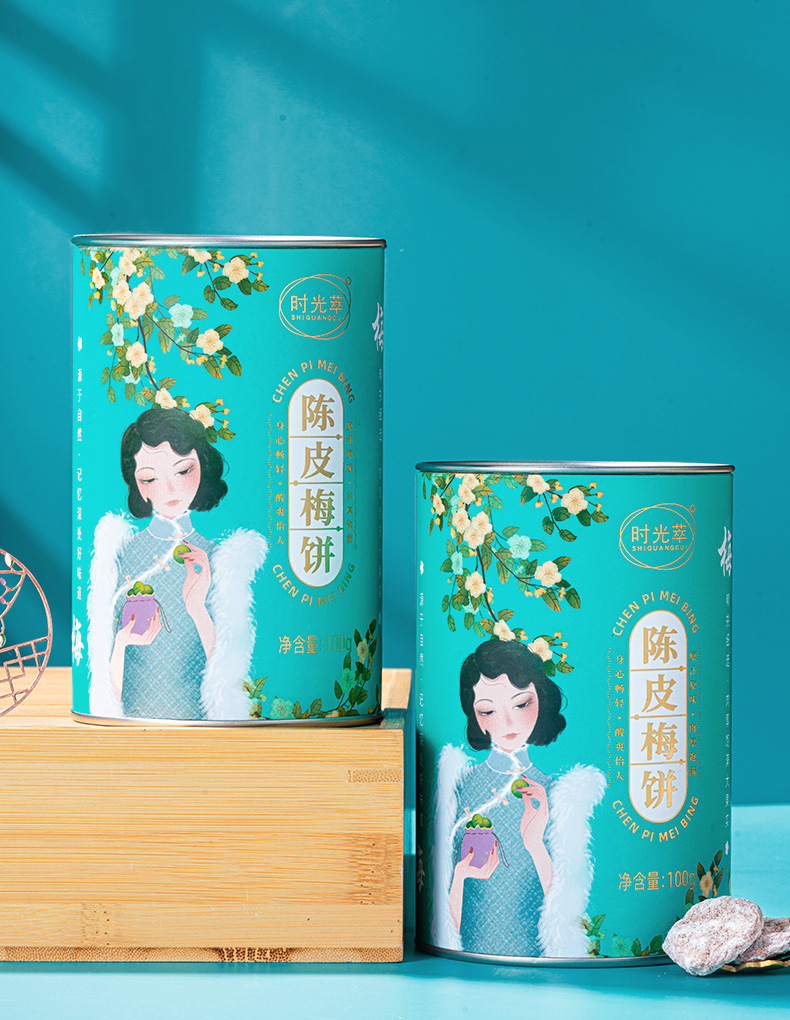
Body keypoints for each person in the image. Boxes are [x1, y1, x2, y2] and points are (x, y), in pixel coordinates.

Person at [87, 407, 267, 720]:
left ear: (203, 467)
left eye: (183, 472)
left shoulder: (220, 561)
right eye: (149, 478)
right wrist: (123, 642)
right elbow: (102, 684)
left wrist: (197, 608)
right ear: (136, 483)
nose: (169, 490)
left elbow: (229, 678)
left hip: (206, 728)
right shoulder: (118, 555)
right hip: (131, 720)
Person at [432, 639, 605, 958]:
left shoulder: (557, 795)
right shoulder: (459, 787)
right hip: (466, 956)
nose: (508, 723)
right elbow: (441, 918)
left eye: (522, 704)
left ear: (541, 700)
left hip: (539, 957)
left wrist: (535, 844)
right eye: (488, 710)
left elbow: (566, 916)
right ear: (475, 716)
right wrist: (461, 876)